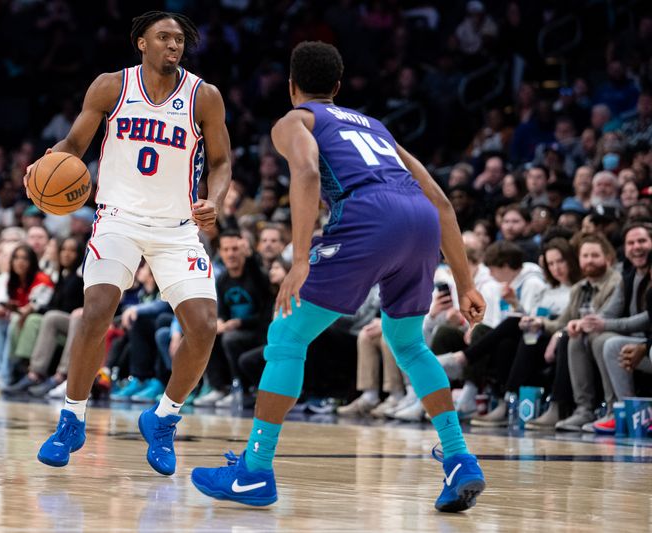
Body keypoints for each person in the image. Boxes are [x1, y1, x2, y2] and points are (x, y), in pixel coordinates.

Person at [190, 42, 486, 513]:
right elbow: (441, 200)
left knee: (287, 334)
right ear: (339, 88)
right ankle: (459, 458)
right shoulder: (376, 126)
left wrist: (301, 257)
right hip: (421, 221)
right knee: (407, 342)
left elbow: (306, 173)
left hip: (369, 216)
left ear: (292, 87)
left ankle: (255, 469)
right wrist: (467, 283)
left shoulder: (296, 120)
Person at [33, 11, 231, 473]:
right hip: (118, 218)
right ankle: (72, 418)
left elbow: (221, 160)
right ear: (140, 42)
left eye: (179, 39)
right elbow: (74, 143)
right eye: (163, 37)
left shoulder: (204, 96)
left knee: (203, 326)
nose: (173, 45)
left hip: (177, 227)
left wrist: (215, 200)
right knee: (97, 309)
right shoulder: (111, 86)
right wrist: (44, 166)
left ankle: (162, 419)